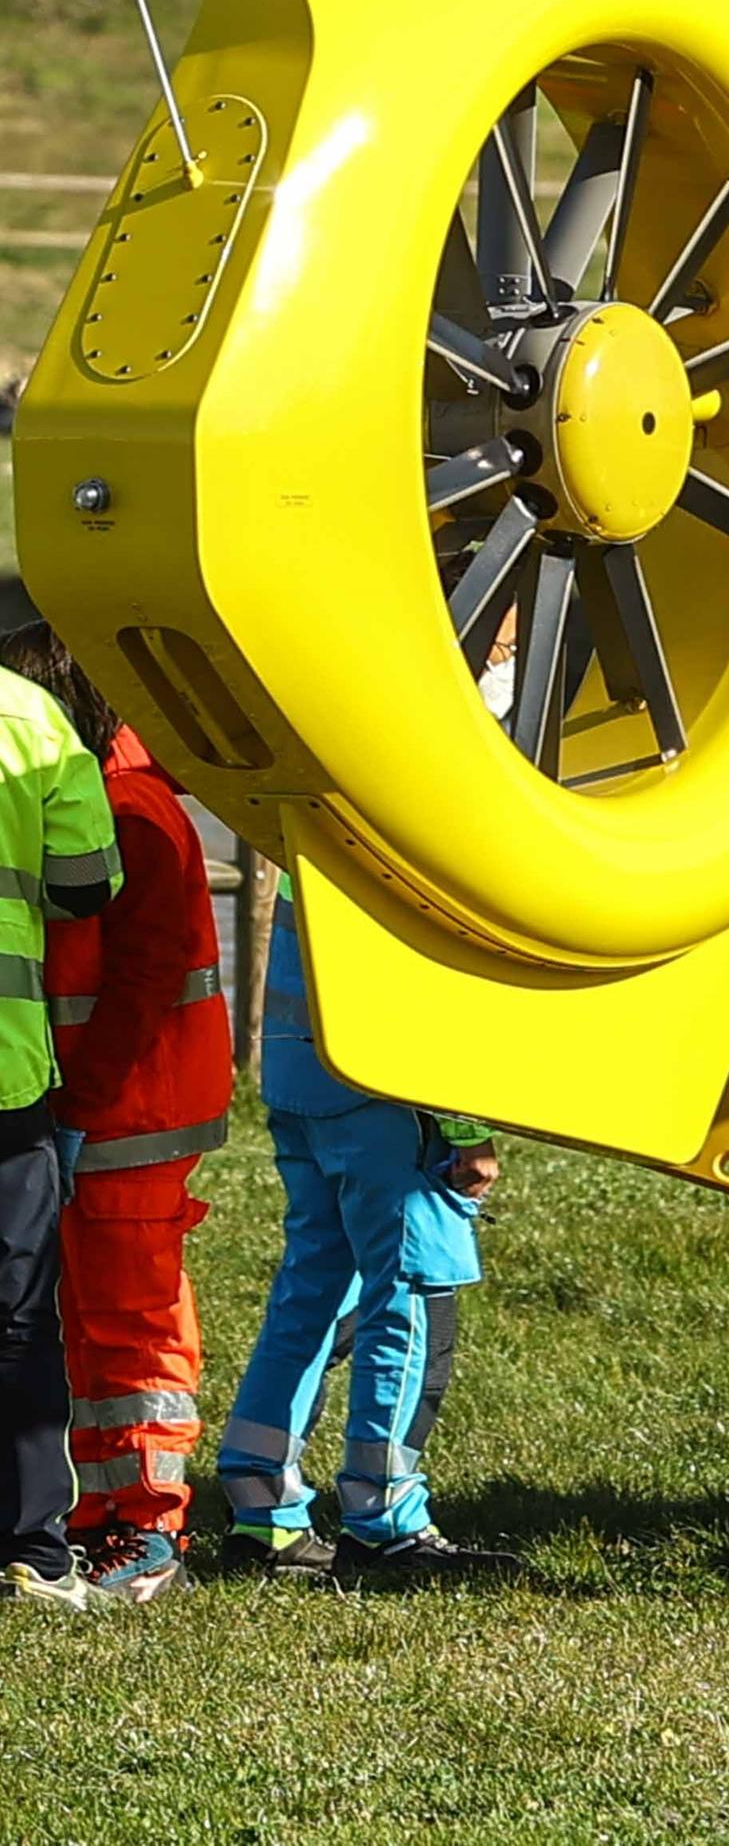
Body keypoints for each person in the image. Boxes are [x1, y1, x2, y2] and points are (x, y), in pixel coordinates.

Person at [0, 610, 224, 1606]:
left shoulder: (132, 810)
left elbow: (136, 984)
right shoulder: (116, 793)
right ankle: (100, 1509)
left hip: (130, 1110)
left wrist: (84, 1108)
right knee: (82, 1318)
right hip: (100, 1103)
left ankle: (152, 1523)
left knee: (131, 1323)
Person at [206, 882, 511, 1585]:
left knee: (313, 1293)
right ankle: (386, 1527)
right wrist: (465, 1128)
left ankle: (263, 1514)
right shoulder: (420, 799)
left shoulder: (326, 788)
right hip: (384, 1092)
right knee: (409, 1299)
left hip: (300, 1072)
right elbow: (430, 971)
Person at [0, 599, 121, 1616]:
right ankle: (34, 1552)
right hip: (3, 1074)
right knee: (19, 1315)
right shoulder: (29, 719)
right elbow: (87, 885)